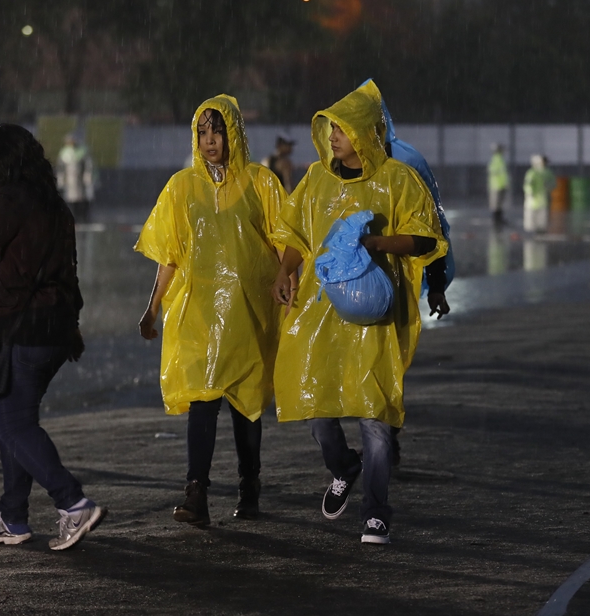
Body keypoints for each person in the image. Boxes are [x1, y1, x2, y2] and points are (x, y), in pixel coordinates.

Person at [270, 80, 445, 545]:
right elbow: (293, 234)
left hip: (376, 318)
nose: (333, 136)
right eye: (330, 128)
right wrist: (286, 271)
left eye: (343, 129)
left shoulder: (397, 180)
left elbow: (426, 238)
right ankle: (342, 465)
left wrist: (378, 244)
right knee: (315, 405)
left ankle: (376, 510)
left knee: (375, 415)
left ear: (367, 132)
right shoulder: (315, 180)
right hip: (320, 313)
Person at [136, 95, 287, 526]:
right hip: (200, 315)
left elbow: (282, 240)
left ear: (234, 133)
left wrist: (288, 281)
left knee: (246, 406)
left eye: (217, 130)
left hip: (247, 314)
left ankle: (249, 485)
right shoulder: (182, 188)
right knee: (204, 401)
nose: (209, 141)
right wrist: (152, 307)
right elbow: (170, 253)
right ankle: (196, 492)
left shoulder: (261, 183)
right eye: (202, 132)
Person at [0, 124, 100, 551]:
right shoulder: (55, 206)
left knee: (14, 424)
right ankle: (13, 515)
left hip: (19, 328)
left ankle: (73, 503)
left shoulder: (7, 201)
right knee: (15, 423)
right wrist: (71, 325)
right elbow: (69, 272)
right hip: (54, 331)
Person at [380, 89, 453, 466]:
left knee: (386, 364)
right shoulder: (333, 169)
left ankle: (383, 440)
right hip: (353, 288)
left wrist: (436, 284)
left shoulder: (406, 166)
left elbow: (431, 230)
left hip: (396, 285)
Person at [56, 134, 94, 222]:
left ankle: (83, 218)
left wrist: (87, 176)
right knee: (70, 200)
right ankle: (73, 217)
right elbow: (61, 167)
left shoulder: (82, 151)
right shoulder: (64, 152)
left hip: (80, 179)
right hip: (70, 180)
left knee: (82, 199)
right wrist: (61, 179)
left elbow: (88, 165)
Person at [523, 155, 554, 233]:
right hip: (534, 199)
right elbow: (528, 184)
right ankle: (533, 231)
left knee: (541, 217)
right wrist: (530, 193)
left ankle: (540, 230)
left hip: (541, 199)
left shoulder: (542, 173)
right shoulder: (533, 173)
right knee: (533, 217)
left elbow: (551, 183)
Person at [488, 143, 510, 225]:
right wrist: (505, 183)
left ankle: (498, 219)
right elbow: (498, 173)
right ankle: (497, 220)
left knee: (498, 203)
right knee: (497, 203)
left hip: (497, 185)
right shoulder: (498, 159)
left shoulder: (497, 159)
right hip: (498, 185)